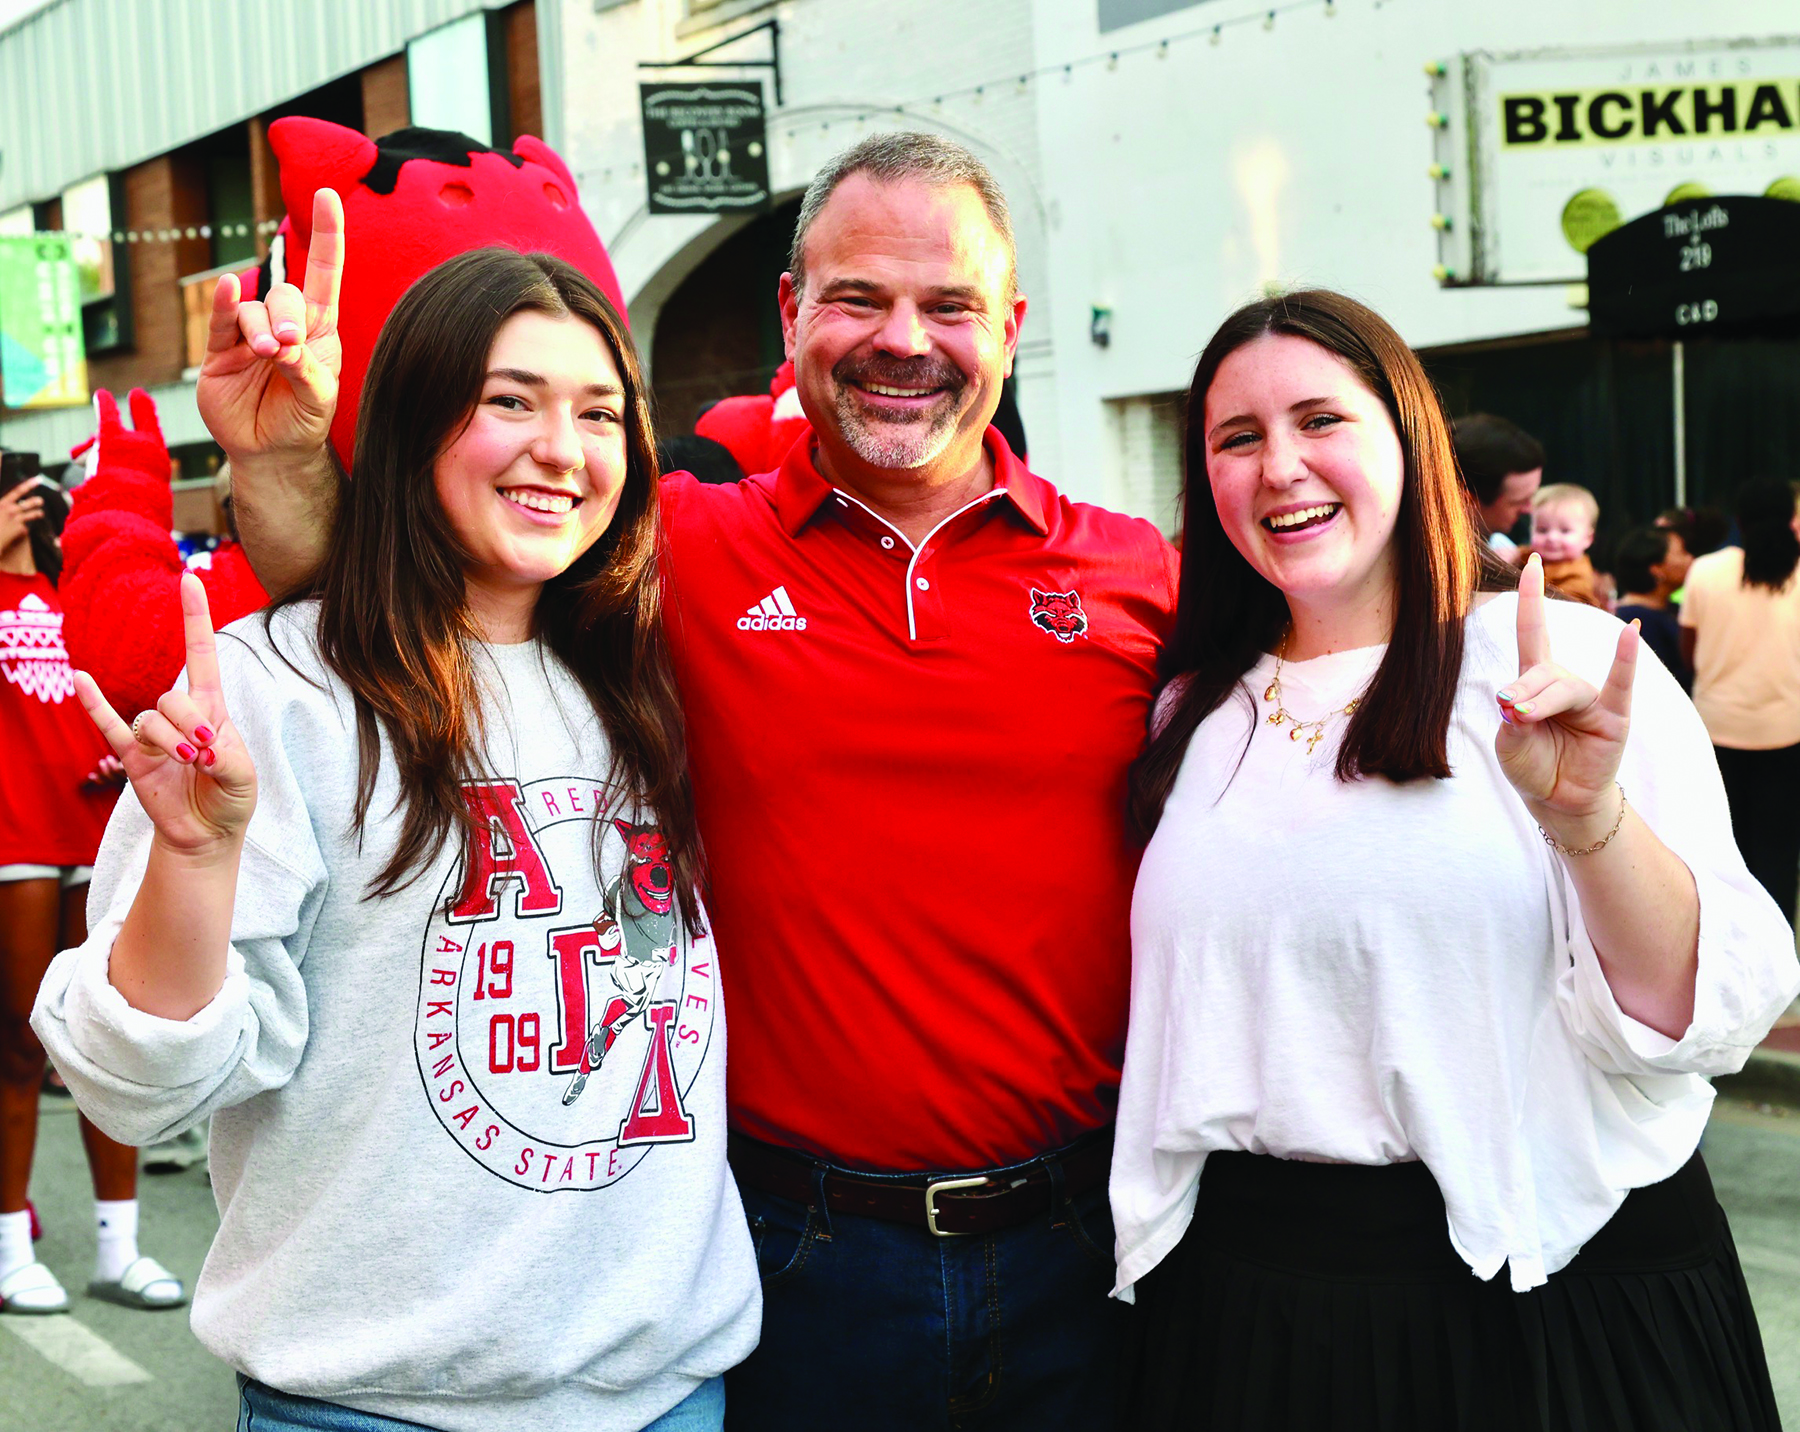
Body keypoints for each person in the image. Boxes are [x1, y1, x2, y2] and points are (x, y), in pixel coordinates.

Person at [189, 133, 1176, 1430]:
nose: (904, 339)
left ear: (1010, 325)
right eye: (857, 298)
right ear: (790, 311)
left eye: (949, 305)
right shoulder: (670, 551)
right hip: (788, 1258)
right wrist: (280, 464)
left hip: (1085, 1248)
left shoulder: (1136, 576)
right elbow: (410, 584)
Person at [33, 246, 759, 1431]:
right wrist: (196, 860)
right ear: (417, 417)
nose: (561, 448)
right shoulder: (285, 686)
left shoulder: (647, 678)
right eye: (509, 400)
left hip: (667, 1394)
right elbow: (132, 1088)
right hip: (371, 1405)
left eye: (599, 412)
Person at [1115, 289, 1798, 1431]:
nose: (1280, 465)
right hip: (1250, 1317)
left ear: (1409, 439)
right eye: (1239, 437)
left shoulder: (1557, 660)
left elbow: (1700, 1012)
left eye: (1320, 421)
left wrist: (1591, 823)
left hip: (1546, 1301)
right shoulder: (1192, 709)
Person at [0, 468, 184, 1316]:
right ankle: (7, 1251)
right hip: (15, 832)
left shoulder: (63, 590)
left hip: (94, 821)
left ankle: (119, 1251)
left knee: (100, 1042)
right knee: (18, 1041)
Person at [1678, 478, 1800, 925]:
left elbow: (1690, 650)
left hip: (1714, 728)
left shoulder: (1705, 570)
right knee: (1779, 848)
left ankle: (1725, 940)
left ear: (1739, 519)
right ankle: (1777, 947)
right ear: (1790, 519)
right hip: (1787, 731)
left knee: (1721, 843)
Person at [1451, 411, 1543, 552]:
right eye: (1518, 502)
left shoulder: (1504, 547)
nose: (1529, 509)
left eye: (1532, 496)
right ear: (1467, 499)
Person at [1613, 526, 1692, 690]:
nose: (1690, 559)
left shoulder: (1672, 608)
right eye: (1683, 552)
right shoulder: (1636, 620)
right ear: (1657, 569)